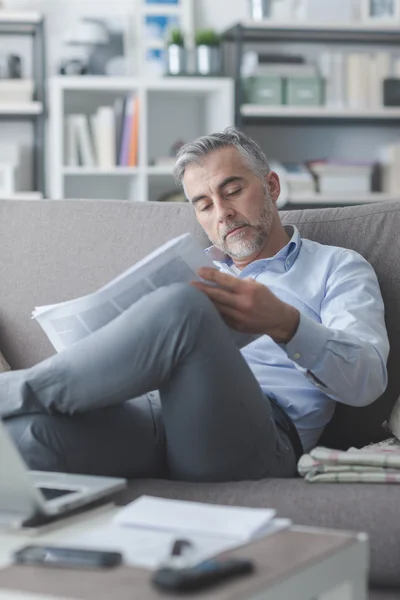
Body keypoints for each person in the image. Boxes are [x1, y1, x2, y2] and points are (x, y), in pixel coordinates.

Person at [0, 127, 389, 482]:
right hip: (155, 414)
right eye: (203, 204)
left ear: (271, 185)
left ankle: (15, 391)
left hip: (261, 437)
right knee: (27, 438)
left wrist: (285, 323)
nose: (222, 213)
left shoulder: (337, 266)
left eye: (232, 190)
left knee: (186, 305)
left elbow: (368, 381)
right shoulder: (189, 265)